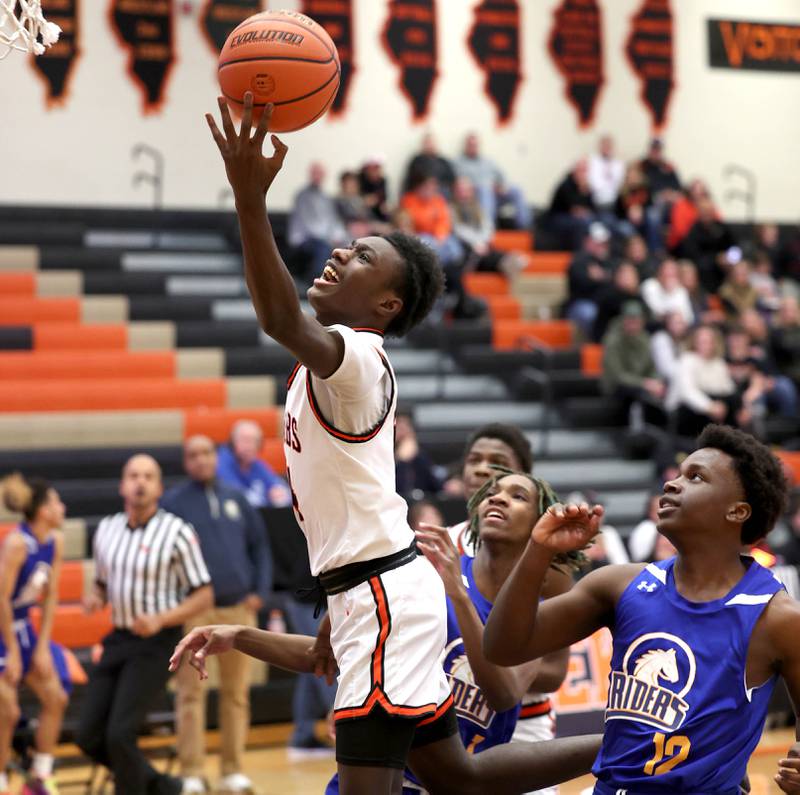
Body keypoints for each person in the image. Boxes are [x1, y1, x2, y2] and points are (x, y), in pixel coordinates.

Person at [201, 92, 601, 795]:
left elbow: (276, 315)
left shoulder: (358, 357)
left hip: (381, 594)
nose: (337, 253)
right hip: (374, 587)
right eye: (349, 246)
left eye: (360, 257)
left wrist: (248, 198)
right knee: (456, 776)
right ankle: (625, 739)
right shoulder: (335, 363)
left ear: (385, 305)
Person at [484, 424, 800, 795]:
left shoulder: (776, 617)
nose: (672, 484)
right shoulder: (619, 584)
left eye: (695, 477)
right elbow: (503, 647)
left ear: (737, 511)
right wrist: (539, 550)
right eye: (678, 474)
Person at [443, 425, 571, 795]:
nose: (482, 471)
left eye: (497, 464)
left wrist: (499, 670)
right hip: (451, 717)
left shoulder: (552, 565)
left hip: (521, 723)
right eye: (474, 461)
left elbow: (554, 672)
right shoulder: (440, 544)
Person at [76, 455, 213, 795]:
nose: (140, 482)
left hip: (157, 643)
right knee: (88, 735)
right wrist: (95, 595)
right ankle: (163, 786)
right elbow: (103, 582)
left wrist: (160, 619)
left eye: (148, 476)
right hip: (118, 638)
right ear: (122, 485)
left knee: (119, 734)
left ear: (159, 487)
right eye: (134, 476)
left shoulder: (177, 532)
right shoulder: (107, 529)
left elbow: (204, 596)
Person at [161, 436, 272, 794]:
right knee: (190, 695)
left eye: (206, 453)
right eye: (193, 455)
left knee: (236, 694)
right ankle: (192, 771)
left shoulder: (236, 497)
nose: (201, 460)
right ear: (185, 462)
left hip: (238, 609)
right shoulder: (173, 504)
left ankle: (232, 770)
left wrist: (260, 591)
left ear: (215, 457)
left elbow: (260, 546)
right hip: (196, 610)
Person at [0, 474, 70, 795]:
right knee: (8, 710)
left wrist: (41, 648)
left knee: (56, 697)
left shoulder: (54, 541)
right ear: (43, 510)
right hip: (3, 630)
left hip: (24, 627)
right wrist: (13, 651)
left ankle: (39, 779)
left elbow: (52, 596)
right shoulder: (17, 543)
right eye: (56, 501)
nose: (62, 507)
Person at [601, 302, 667, 425]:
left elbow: (651, 367)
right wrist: (645, 383)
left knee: (662, 387)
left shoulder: (645, 338)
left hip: (641, 382)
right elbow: (617, 376)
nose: (633, 324)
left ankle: (656, 428)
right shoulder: (613, 341)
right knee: (637, 392)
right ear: (623, 320)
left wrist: (656, 380)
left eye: (637, 320)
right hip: (616, 387)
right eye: (630, 320)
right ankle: (637, 427)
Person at [666, 325, 739, 437]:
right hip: (684, 410)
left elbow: (728, 389)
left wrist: (737, 406)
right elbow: (687, 392)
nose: (706, 345)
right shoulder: (687, 360)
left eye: (709, 342)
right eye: (702, 342)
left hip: (711, 408)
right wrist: (709, 407)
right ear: (694, 342)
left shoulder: (718, 363)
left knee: (732, 403)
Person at [454, 133, 531, 231]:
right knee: (485, 190)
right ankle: (489, 229)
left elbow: (502, 177)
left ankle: (524, 226)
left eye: (475, 145)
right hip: (477, 196)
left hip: (495, 194)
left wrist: (501, 186)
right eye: (471, 145)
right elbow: (461, 185)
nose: (473, 147)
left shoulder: (488, 161)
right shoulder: (459, 162)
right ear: (466, 146)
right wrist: (485, 187)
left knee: (517, 190)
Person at [287, 162, 348, 284]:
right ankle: (316, 282)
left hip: (323, 237)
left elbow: (333, 220)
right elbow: (308, 223)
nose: (317, 177)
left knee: (346, 245)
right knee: (323, 248)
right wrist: (328, 238)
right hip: (304, 238)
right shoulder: (302, 196)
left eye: (320, 174)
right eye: (315, 173)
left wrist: (338, 235)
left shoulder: (326, 197)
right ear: (310, 174)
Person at [216, 419, 291, 509]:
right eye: (245, 440)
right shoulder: (221, 461)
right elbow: (237, 497)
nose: (249, 446)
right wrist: (267, 498)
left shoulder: (256, 464)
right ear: (232, 442)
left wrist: (278, 492)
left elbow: (277, 487)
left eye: (254, 441)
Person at [565, 222, 612, 337]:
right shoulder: (578, 261)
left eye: (604, 243)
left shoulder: (610, 261)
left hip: (604, 303)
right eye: (598, 243)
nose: (601, 246)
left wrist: (601, 276)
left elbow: (615, 280)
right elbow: (581, 282)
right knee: (590, 313)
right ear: (587, 241)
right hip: (581, 304)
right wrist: (601, 278)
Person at [394, 411, 447, 500]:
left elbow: (436, 488)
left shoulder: (421, 456)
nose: (403, 431)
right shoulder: (383, 455)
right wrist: (401, 461)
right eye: (399, 427)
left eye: (406, 426)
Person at [592, 261, 647, 342]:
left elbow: (647, 318)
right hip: (609, 338)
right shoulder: (609, 296)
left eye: (630, 275)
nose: (627, 278)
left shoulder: (639, 298)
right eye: (624, 275)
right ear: (617, 277)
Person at [548, 159, 597, 248]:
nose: (583, 174)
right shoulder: (566, 185)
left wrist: (586, 193)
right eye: (581, 171)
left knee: (599, 221)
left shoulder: (586, 187)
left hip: (577, 218)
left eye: (585, 171)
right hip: (559, 218)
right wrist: (583, 193)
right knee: (582, 223)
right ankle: (580, 252)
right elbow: (574, 209)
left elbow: (592, 208)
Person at [640, 258, 694, 325]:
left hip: (678, 327)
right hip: (654, 326)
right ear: (659, 272)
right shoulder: (650, 285)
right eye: (667, 271)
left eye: (672, 271)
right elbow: (656, 312)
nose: (669, 274)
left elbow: (689, 317)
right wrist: (668, 292)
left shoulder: (681, 290)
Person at [587, 135, 625, 215]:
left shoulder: (617, 163)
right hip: (597, 201)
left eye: (609, 146)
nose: (607, 148)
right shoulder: (593, 162)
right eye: (604, 145)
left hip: (614, 200)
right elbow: (594, 184)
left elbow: (619, 183)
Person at [650, 310, 690, 383]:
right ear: (668, 324)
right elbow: (666, 370)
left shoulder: (682, 341)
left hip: (678, 379)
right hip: (658, 381)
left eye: (682, 323)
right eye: (677, 323)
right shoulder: (660, 339)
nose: (681, 326)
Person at [359, 155, 391, 222]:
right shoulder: (360, 181)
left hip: (379, 215)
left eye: (377, 168)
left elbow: (383, 200)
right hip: (365, 216)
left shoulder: (382, 181)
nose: (375, 172)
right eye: (372, 169)